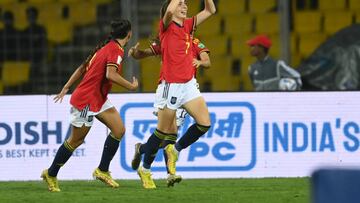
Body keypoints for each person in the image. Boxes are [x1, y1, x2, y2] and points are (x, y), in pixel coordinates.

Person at [41, 19, 138, 192]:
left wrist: (66, 86)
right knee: (76, 140)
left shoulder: (105, 47)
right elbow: (110, 74)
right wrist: (130, 86)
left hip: (98, 99)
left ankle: (102, 170)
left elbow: (81, 68)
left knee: (118, 130)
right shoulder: (115, 50)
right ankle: (51, 173)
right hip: (86, 101)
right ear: (129, 34)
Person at [132, 0, 216, 189]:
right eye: (180, 4)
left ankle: (174, 150)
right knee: (162, 132)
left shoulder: (188, 25)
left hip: (188, 85)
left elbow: (211, 10)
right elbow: (169, 11)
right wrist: (136, 53)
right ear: (171, 9)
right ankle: (145, 170)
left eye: (185, 4)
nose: (184, 6)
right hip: (172, 85)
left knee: (204, 123)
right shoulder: (166, 26)